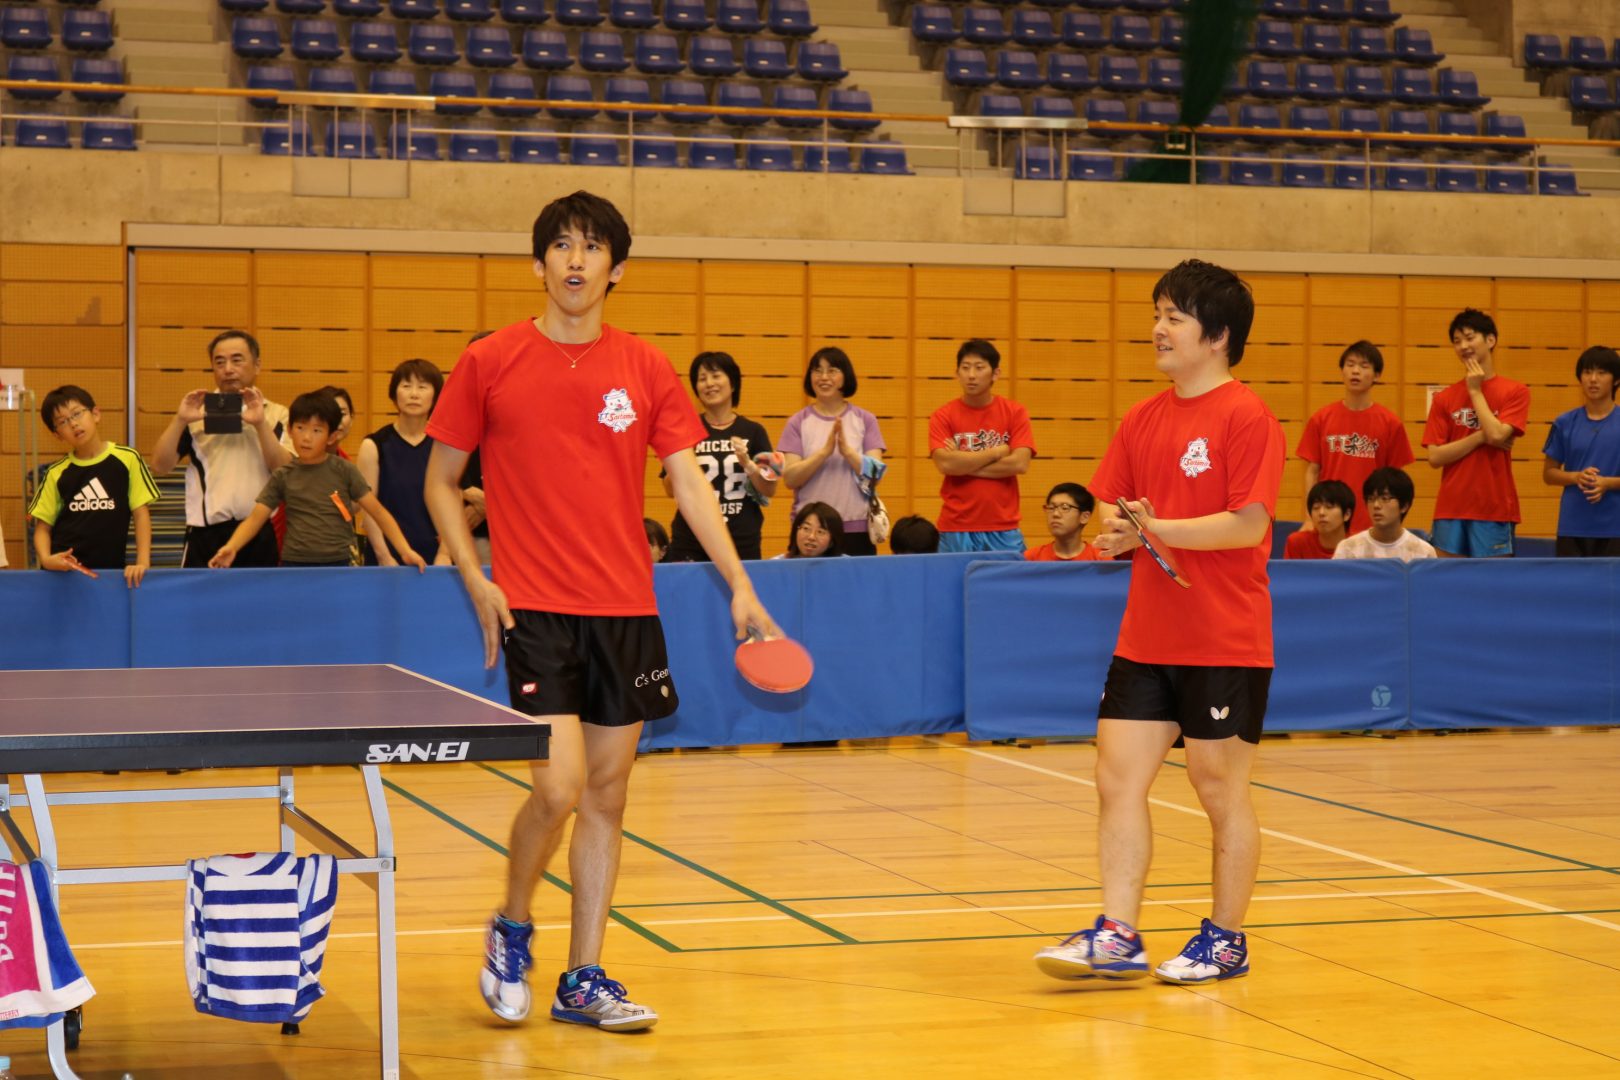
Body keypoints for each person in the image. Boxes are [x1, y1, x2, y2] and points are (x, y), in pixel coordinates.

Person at [420, 190, 780, 1035]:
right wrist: (475, 575)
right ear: (538, 262)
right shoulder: (492, 360)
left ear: (616, 268)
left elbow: (688, 481)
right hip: (536, 609)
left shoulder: (647, 367)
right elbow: (441, 480)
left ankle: (584, 976)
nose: (575, 261)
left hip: (626, 606)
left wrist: (740, 583)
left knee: (609, 795)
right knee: (559, 786)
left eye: (591, 248)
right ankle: (512, 926)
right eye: (561, 247)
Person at [1034, 259, 1285, 987]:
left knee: (1218, 789)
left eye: (1174, 316)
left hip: (1224, 636)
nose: (1158, 328)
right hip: (1146, 636)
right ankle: (1117, 933)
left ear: (1219, 335)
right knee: (1116, 778)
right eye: (1158, 314)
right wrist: (1118, 533)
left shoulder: (1247, 416)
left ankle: (1226, 939)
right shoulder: (1142, 417)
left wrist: (1159, 529)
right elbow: (1114, 506)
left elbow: (1246, 526)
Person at [207, 392, 425, 570]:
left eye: (317, 430)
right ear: (290, 430)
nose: (307, 437)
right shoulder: (283, 475)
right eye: (300, 428)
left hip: (339, 564)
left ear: (331, 437)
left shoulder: (344, 470)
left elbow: (379, 513)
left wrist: (405, 551)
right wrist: (232, 547)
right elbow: (255, 518)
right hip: (294, 566)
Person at [150, 330, 293, 568]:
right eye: (219, 362)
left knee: (260, 605)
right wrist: (180, 420)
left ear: (257, 365)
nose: (228, 369)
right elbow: (159, 466)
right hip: (205, 536)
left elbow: (285, 469)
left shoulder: (278, 414)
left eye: (237, 360)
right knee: (201, 606)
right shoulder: (195, 414)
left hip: (259, 533)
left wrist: (260, 424)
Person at [28, 385, 160, 588]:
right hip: (63, 576)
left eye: (77, 414)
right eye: (62, 422)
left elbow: (141, 513)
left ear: (95, 414)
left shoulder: (128, 459)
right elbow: (42, 528)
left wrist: (143, 561)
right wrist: (47, 559)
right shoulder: (55, 473)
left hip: (111, 573)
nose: (73, 424)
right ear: (57, 435)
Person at [1423, 309, 1530, 558]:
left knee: (1493, 587)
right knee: (1446, 583)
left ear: (1490, 340)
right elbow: (1435, 457)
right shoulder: (1445, 399)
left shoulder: (1516, 391)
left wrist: (1475, 391)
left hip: (1493, 508)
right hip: (1451, 508)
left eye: (1470, 337)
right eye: (1457, 341)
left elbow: (1497, 436)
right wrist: (1480, 437)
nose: (1463, 346)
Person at [659, 351, 777, 561]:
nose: (709, 383)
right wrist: (684, 459)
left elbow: (770, 488)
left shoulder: (756, 431)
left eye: (715, 375)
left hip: (740, 541)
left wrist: (748, 465)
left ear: (732, 383)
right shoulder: (684, 429)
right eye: (702, 379)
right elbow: (669, 489)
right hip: (691, 540)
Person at [929, 339, 1036, 554]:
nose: (971, 375)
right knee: (953, 587)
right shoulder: (943, 416)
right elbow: (945, 464)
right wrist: (997, 452)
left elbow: (1020, 463)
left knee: (1007, 587)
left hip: (1003, 526)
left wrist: (963, 463)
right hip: (956, 526)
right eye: (965, 368)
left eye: (979, 368)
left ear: (995, 373)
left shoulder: (1015, 412)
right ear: (957, 372)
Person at [777, 347, 887, 556]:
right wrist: (823, 454)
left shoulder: (865, 420)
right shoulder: (797, 422)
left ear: (846, 377)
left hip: (856, 528)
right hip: (811, 532)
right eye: (817, 371)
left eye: (832, 370)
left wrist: (847, 452)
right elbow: (790, 478)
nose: (824, 377)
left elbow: (875, 475)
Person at [1296, 341, 1413, 535]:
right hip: (1331, 522)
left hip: (1372, 524)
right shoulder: (1321, 419)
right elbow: (1312, 472)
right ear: (1342, 371)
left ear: (1376, 375)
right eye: (1350, 365)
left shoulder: (1391, 423)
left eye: (1364, 366)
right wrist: (1309, 517)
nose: (1355, 371)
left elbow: (1395, 481)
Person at [359, 359, 452, 566]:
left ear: (436, 395)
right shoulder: (374, 445)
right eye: (406, 385)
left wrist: (445, 553)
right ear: (394, 393)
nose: (414, 394)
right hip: (387, 557)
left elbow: (453, 503)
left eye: (422, 386)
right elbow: (368, 507)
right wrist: (384, 557)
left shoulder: (444, 446)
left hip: (435, 557)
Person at [1542, 345, 1620, 557]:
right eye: (1587, 372)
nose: (1593, 379)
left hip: (1614, 527)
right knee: (1571, 589)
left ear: (1616, 380)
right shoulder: (1564, 422)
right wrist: (1576, 476)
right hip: (1572, 526)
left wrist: (1607, 483)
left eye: (1601, 373)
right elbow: (1549, 474)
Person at [1334, 467, 1437, 561]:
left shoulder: (1423, 552)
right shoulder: (1348, 549)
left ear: (1404, 506)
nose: (1376, 505)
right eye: (1371, 499)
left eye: (1385, 498)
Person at [1024, 482, 1104, 562]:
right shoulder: (1031, 559)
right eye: (1051, 508)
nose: (1055, 514)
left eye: (1065, 508)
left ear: (1084, 517)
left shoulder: (1101, 561)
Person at [1283, 480, 1354, 559]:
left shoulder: (1359, 545)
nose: (1321, 513)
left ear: (1347, 514)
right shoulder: (1297, 543)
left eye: (1329, 507)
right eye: (1316, 507)